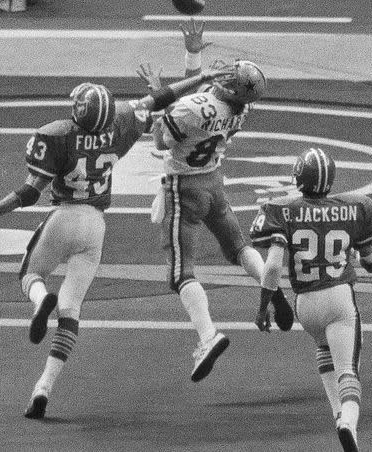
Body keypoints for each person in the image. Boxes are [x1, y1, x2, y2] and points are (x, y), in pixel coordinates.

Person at [0, 66, 233, 420]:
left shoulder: (56, 134)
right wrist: (202, 76)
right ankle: (43, 387)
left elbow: (28, 193)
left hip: (66, 214)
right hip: (96, 226)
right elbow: (163, 97)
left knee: (30, 274)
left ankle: (41, 300)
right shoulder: (119, 125)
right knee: (71, 313)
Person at [141, 19, 294, 383]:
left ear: (229, 84)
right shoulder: (241, 108)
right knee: (239, 247)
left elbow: (162, 140)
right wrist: (192, 56)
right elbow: (197, 99)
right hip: (214, 182)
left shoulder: (193, 110)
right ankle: (268, 285)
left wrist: (157, 97)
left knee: (181, 272)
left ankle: (208, 336)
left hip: (184, 188)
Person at [249, 147, 372, 452]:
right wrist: (361, 252)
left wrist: (264, 306)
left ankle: (338, 414)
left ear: (298, 178)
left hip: (305, 304)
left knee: (324, 350)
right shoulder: (355, 207)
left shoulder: (282, 209)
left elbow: (273, 265)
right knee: (348, 370)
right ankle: (348, 423)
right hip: (339, 298)